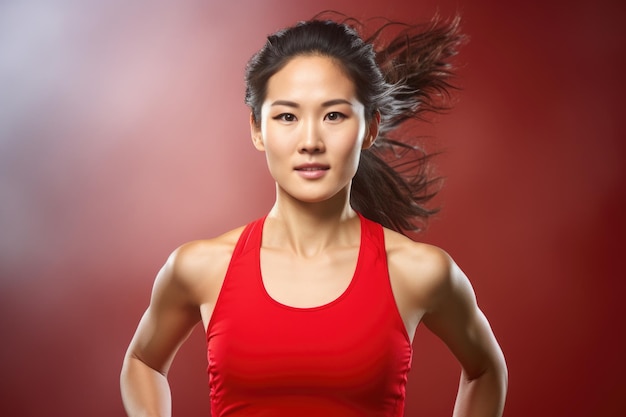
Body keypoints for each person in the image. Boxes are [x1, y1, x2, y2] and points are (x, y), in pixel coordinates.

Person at [120, 12, 508, 417]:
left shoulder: (418, 271)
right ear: (257, 129)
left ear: (370, 129)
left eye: (334, 116)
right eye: (287, 116)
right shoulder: (200, 267)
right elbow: (142, 363)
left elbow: (485, 369)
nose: (310, 141)